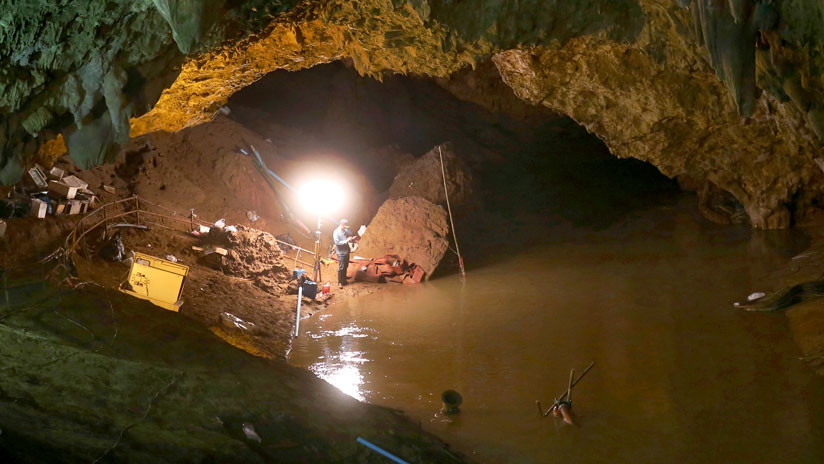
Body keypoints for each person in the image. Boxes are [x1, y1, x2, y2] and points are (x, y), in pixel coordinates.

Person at [333, 219, 356, 288]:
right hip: (341, 253)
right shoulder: (336, 232)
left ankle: (344, 279)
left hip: (346, 251)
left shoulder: (344, 231)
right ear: (342, 225)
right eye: (345, 227)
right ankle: (340, 282)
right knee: (341, 267)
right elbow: (337, 242)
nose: (346, 228)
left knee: (345, 266)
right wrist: (346, 241)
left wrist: (351, 239)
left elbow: (345, 239)